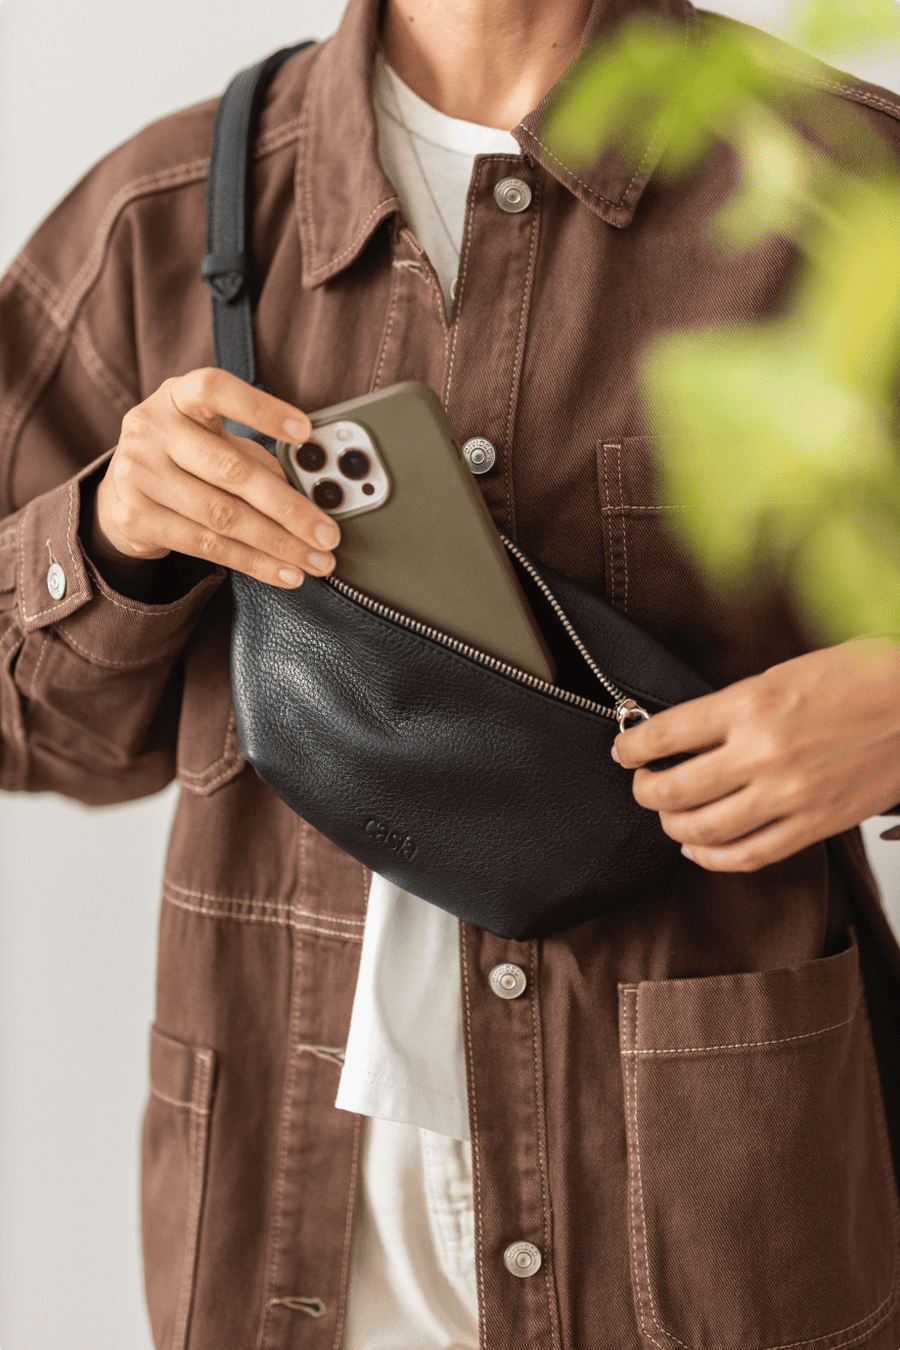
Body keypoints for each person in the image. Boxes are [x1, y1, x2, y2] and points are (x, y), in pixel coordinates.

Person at [2, 0, 900, 1345]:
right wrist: (112, 538)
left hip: (715, 1228)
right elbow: (31, 732)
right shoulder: (166, 219)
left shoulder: (846, 192)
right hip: (289, 1232)